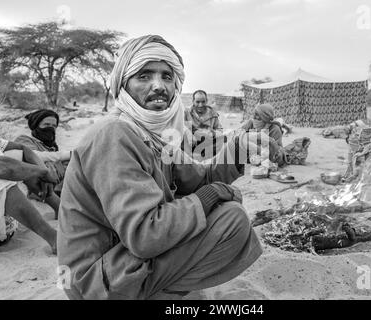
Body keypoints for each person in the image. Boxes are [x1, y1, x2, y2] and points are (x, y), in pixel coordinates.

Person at [58, 35, 265, 300]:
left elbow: (201, 178)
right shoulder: (114, 134)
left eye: (167, 76)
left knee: (218, 214)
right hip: (94, 280)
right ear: (124, 84)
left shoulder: (153, 135)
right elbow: (145, 235)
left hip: (120, 260)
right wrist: (209, 196)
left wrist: (237, 149)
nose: (159, 86)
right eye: (144, 76)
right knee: (230, 220)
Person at [0, 134, 58, 253]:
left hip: (2, 226)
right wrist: (42, 172)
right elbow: (3, 168)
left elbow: (23, 149)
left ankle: (61, 209)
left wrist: (42, 170)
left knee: (18, 157)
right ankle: (53, 238)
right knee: (2, 173)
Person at [15, 109, 71, 218]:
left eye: (54, 126)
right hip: (36, 185)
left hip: (56, 184)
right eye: (46, 124)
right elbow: (34, 156)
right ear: (36, 125)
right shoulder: (24, 139)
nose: (51, 128)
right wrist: (67, 154)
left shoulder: (51, 147)